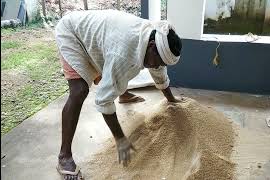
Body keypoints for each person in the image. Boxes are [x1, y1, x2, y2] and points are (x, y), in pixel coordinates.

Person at [55, 9, 182, 180]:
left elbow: (159, 71)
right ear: (151, 46)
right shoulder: (124, 54)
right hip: (73, 33)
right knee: (79, 91)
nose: (155, 66)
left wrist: (171, 100)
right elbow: (103, 100)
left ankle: (123, 94)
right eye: (156, 62)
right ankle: (64, 156)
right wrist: (121, 139)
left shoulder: (157, 38)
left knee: (118, 74)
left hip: (104, 36)